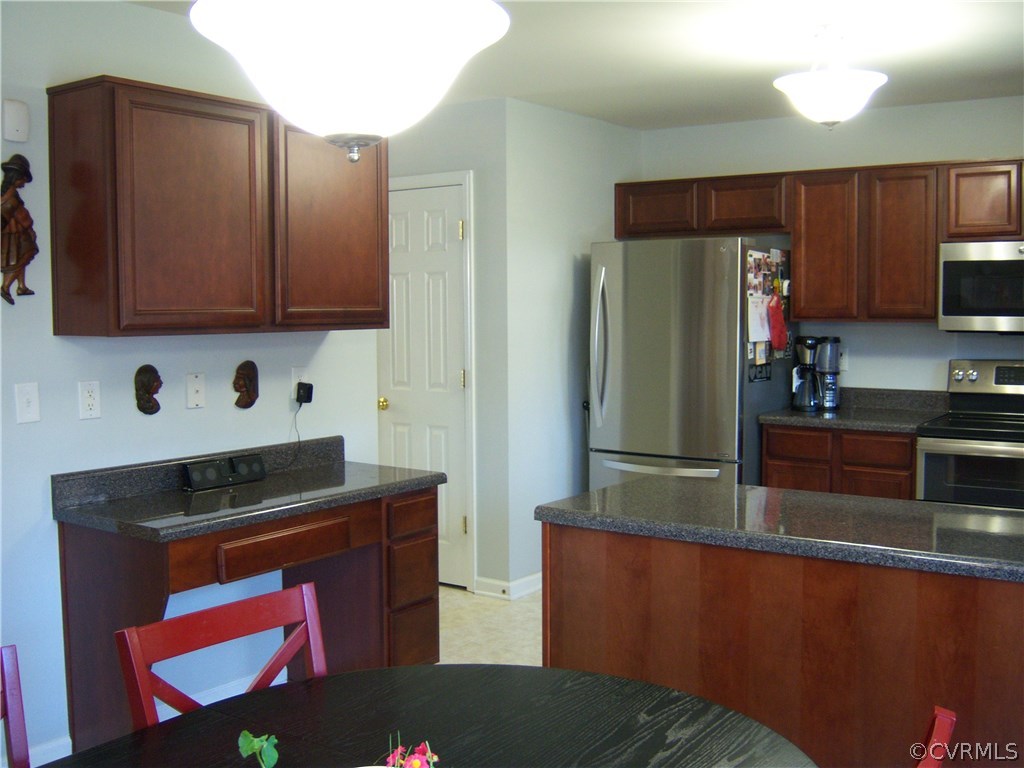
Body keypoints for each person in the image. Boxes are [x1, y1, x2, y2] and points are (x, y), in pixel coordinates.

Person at [1, 154, 38, 305]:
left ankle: (21, 286)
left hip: (13, 233)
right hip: (14, 234)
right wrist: (29, 228)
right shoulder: (10, 197)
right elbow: (22, 215)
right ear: (16, 177)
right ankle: (5, 287)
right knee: (23, 256)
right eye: (22, 179)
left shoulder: (7, 193)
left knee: (20, 258)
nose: (23, 182)